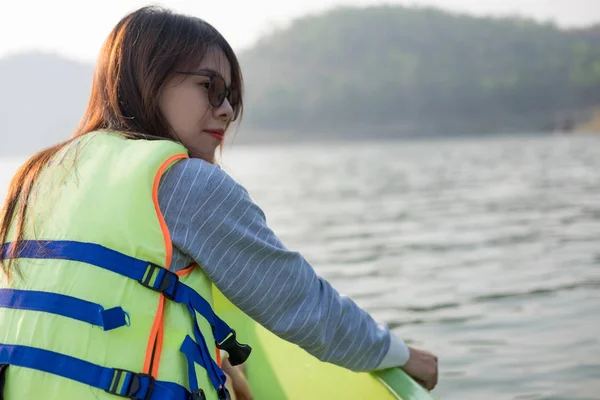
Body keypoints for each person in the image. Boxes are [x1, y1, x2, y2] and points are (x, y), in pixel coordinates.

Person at [0, 6, 438, 400]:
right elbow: (299, 303)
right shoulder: (185, 182)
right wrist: (399, 355)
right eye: (209, 87)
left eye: (230, 96)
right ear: (149, 78)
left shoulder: (36, 176)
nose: (226, 109)